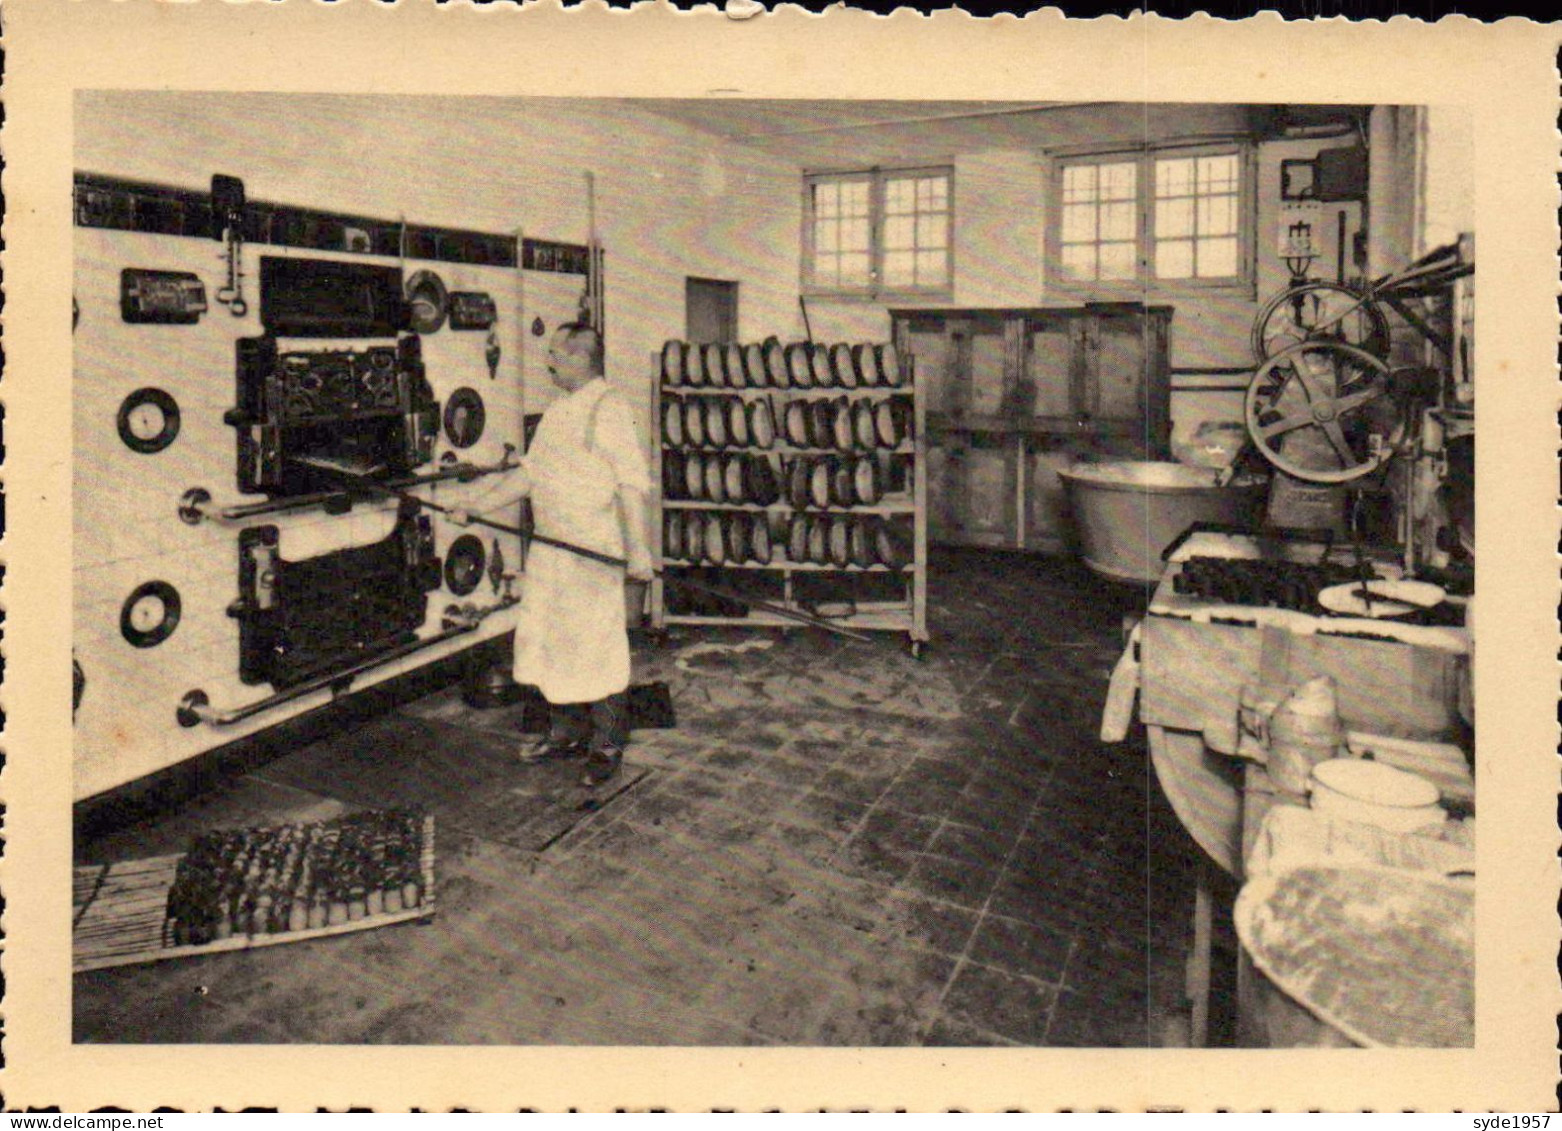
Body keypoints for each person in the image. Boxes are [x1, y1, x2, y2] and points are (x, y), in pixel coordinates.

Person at [450, 323, 653, 786]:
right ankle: (566, 732)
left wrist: (638, 547)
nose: (549, 363)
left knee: (597, 648)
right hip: (550, 549)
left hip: (590, 552)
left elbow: (631, 482)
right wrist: (475, 506)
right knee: (551, 643)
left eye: (556, 355)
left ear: (582, 357)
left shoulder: (609, 408)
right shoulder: (558, 412)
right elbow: (529, 476)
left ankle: (606, 745)